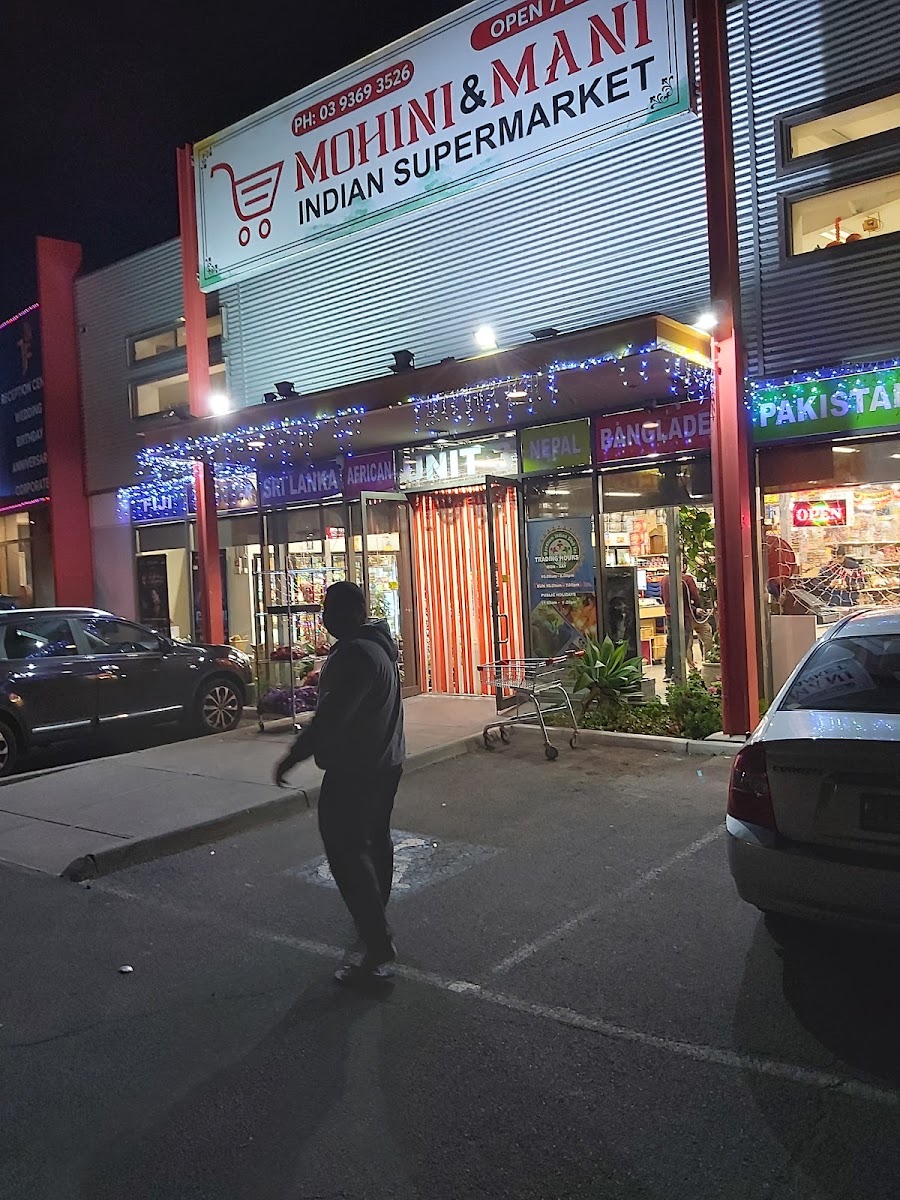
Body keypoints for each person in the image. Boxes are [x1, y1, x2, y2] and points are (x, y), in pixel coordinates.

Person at [274, 581, 405, 985]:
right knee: (374, 841)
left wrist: (294, 756)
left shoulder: (356, 656)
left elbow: (332, 718)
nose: (323, 616)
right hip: (386, 761)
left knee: (347, 853)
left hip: (358, 769)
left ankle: (377, 944)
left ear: (349, 612)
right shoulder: (378, 645)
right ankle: (374, 916)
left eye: (328, 608)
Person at [660, 564, 707, 681]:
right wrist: (697, 608)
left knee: (670, 643)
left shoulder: (664, 579)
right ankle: (679, 672)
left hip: (670, 615)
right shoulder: (687, 579)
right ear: (684, 566)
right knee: (683, 644)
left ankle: (668, 672)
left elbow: (662, 596)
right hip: (685, 615)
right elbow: (695, 596)